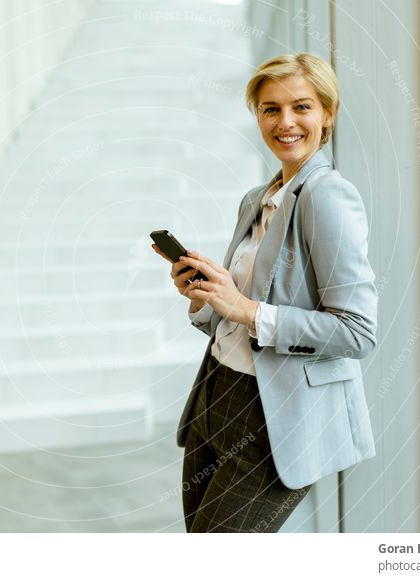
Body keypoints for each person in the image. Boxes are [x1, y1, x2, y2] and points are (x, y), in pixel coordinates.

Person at [153, 52, 378, 533]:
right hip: (216, 393)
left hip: (274, 418)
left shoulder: (328, 196)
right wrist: (205, 295)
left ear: (327, 115)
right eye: (270, 109)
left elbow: (357, 333)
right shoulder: (258, 199)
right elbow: (234, 315)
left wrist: (247, 308)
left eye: (302, 107)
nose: (285, 122)